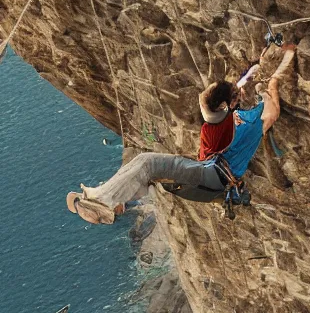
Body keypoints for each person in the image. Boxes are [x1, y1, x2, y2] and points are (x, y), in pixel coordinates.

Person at [66, 44, 296, 224]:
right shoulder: (234, 117)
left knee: (147, 163)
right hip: (210, 172)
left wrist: (271, 86)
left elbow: (271, 114)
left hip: (213, 174)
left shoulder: (249, 122)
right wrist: (262, 80)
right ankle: (110, 201)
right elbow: (228, 95)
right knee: (146, 167)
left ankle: (105, 201)